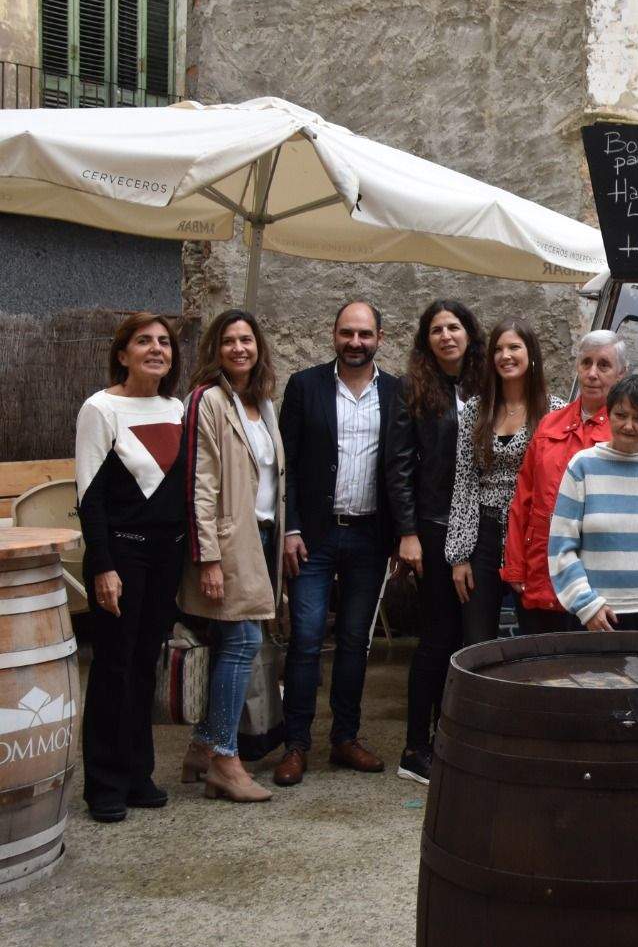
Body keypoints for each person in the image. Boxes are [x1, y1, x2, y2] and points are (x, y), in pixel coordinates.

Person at [273, 300, 401, 787]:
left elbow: (400, 467)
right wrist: (291, 528)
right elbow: (287, 465)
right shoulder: (304, 386)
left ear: (379, 339)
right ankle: (296, 745)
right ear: (333, 335)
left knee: (354, 643)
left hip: (370, 536)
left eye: (365, 334)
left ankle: (345, 738)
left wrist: (400, 534)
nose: (355, 342)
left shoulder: (396, 392)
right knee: (305, 641)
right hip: (314, 538)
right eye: (347, 333)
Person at [74, 313, 187, 823]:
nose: (156, 349)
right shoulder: (100, 408)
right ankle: (104, 782)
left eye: (163, 342)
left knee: (146, 665)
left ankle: (139, 773)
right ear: (123, 353)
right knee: (113, 667)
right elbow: (90, 497)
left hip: (165, 558)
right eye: (144, 341)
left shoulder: (177, 408)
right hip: (121, 555)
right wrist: (102, 565)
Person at [176, 310, 284, 803]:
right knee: (241, 643)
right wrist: (208, 557)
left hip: (260, 540)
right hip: (227, 542)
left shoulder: (261, 401)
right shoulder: (207, 399)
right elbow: (200, 482)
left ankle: (202, 746)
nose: (239, 348)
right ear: (214, 350)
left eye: (246, 340)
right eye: (228, 341)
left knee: (232, 644)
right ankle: (224, 757)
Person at [386, 299, 486, 786]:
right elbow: (399, 465)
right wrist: (407, 534)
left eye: (454, 327)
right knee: (437, 637)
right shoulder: (414, 389)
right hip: (432, 525)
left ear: (469, 333)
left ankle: (459, 735)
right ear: (427, 341)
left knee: (474, 637)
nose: (447, 336)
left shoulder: (485, 385)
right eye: (436, 330)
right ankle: (414, 747)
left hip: (482, 526)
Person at [502, 330, 638, 633]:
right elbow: (523, 500)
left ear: (621, 373)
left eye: (603, 365)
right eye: (586, 363)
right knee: (543, 671)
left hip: (605, 586)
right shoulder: (550, 424)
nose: (592, 374)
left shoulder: (637, 433)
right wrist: (514, 566)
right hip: (543, 574)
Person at [548, 374, 638, 632]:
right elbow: (560, 547)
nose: (629, 426)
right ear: (608, 413)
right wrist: (587, 604)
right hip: (597, 616)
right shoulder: (582, 467)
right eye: (621, 415)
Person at [446, 318, 548, 647]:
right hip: (483, 534)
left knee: (537, 636)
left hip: (531, 535)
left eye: (514, 347)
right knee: (477, 640)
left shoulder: (553, 411)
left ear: (531, 354)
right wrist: (459, 555)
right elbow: (464, 481)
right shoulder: (477, 409)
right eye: (499, 349)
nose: (505, 355)